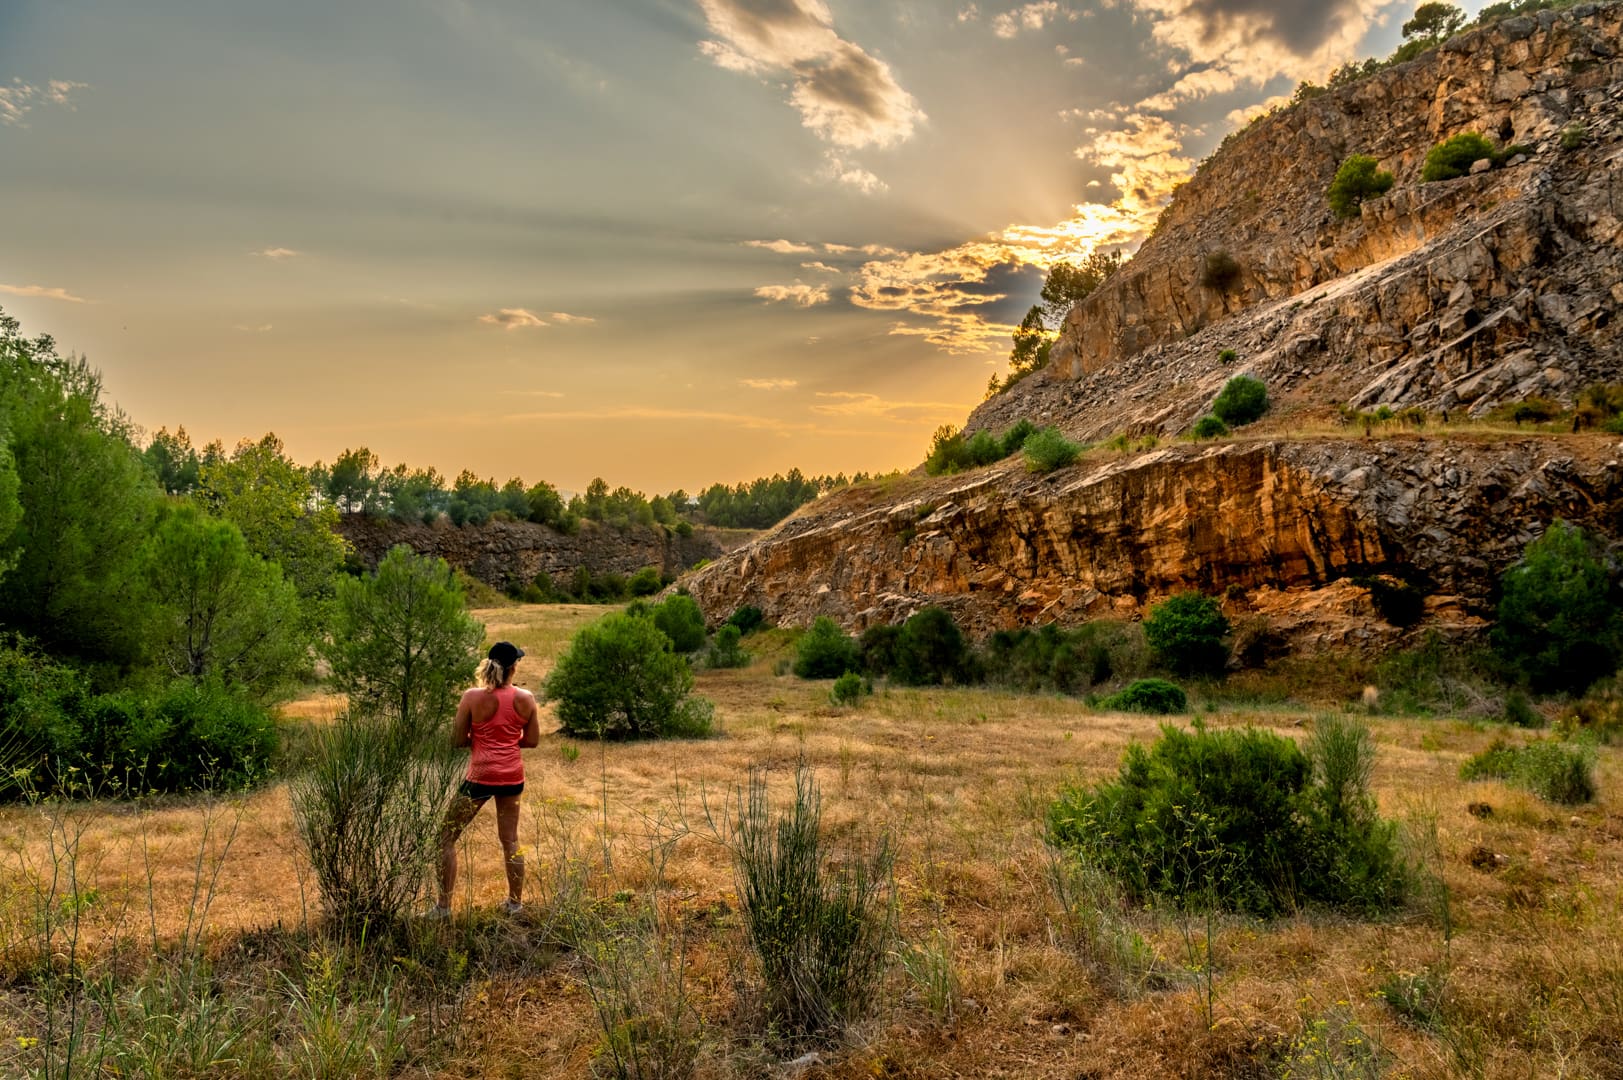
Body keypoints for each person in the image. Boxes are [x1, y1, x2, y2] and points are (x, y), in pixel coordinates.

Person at [435, 641, 541, 916]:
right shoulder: (526, 698)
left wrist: (482, 739)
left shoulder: (471, 697)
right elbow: (531, 741)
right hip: (511, 776)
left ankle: (443, 908)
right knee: (510, 840)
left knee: (445, 838)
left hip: (481, 776)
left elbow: (457, 740)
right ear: (514, 667)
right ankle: (515, 904)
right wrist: (507, 739)